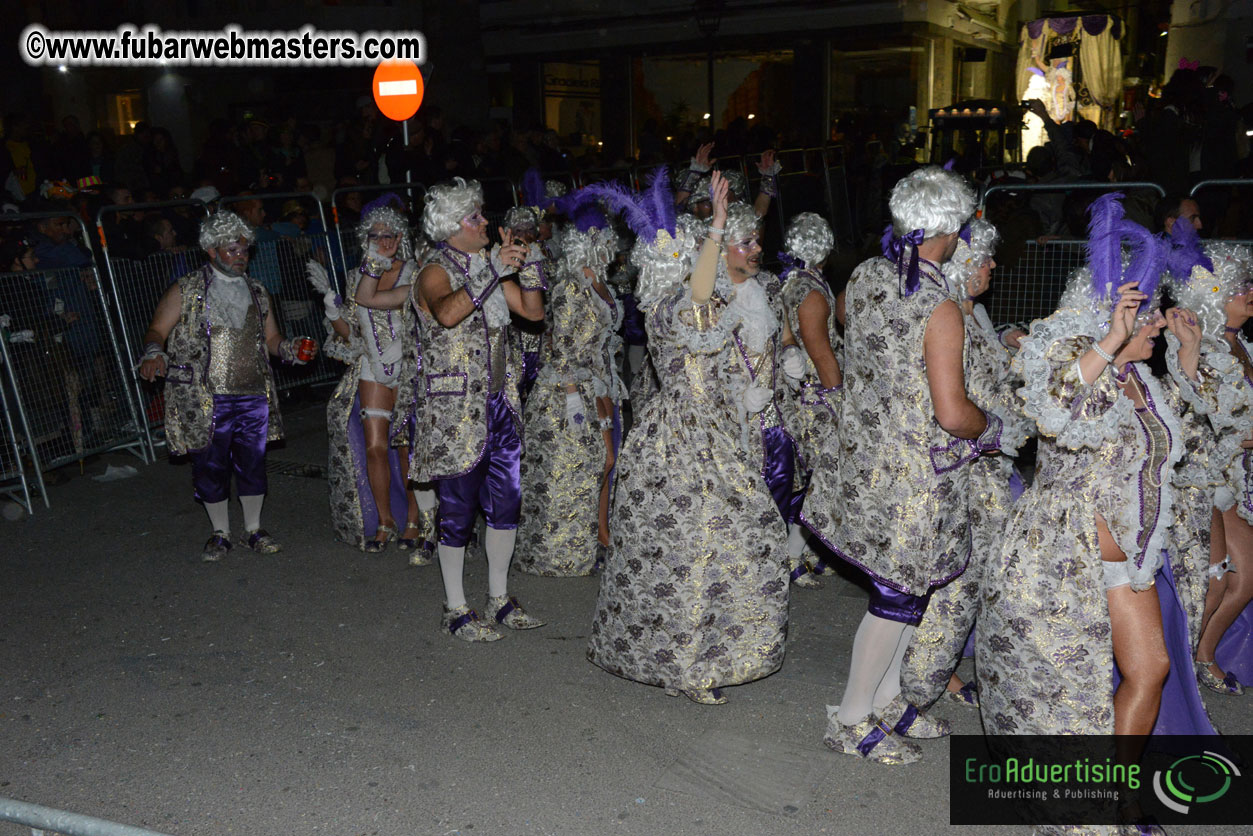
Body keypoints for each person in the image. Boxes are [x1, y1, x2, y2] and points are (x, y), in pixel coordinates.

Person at [978, 195, 1232, 830]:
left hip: (1129, 560)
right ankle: (1084, 802)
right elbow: (1056, 408)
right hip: (1062, 557)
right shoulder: (1075, 366)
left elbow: (1200, 446)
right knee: (1066, 690)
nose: (1158, 326)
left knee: (1152, 668)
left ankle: (1116, 793)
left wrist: (1191, 365)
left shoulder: (1146, 380)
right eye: (1145, 317)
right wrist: (1112, 341)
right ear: (1112, 313)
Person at [801, 166, 995, 763]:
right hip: (916, 475)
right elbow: (952, 412)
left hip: (865, 460)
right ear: (952, 231)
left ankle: (885, 701)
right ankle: (852, 718)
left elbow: (842, 325)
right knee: (896, 598)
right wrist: (993, 427)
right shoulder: (940, 307)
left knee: (905, 593)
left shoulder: (864, 277)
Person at [587, 170, 791, 706]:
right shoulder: (670, 309)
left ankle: (710, 653)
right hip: (683, 439)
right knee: (696, 549)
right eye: (687, 254)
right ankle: (691, 663)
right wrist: (718, 225)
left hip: (712, 430)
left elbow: (721, 290)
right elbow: (703, 290)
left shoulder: (695, 302)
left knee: (720, 547)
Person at [355, 177, 546, 641]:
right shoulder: (433, 269)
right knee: (457, 509)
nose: (485, 223)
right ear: (451, 225)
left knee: (506, 502)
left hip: (500, 404)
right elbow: (445, 313)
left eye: (482, 214)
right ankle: (455, 608)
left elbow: (535, 313)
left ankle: (498, 599)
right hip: (455, 410)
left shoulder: (487, 265)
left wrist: (531, 262)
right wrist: (493, 271)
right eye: (475, 217)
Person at [898, 219, 1031, 711]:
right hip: (969, 469)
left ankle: (935, 675)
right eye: (984, 258)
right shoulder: (948, 312)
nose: (993, 265)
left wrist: (1005, 337)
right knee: (957, 585)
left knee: (975, 580)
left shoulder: (971, 312)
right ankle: (917, 691)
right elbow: (956, 401)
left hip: (992, 466)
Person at [136, 211, 316, 561]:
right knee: (210, 465)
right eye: (231, 250)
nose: (240, 256)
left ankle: (253, 530)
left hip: (251, 392)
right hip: (205, 397)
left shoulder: (258, 291)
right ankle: (220, 533)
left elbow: (272, 339)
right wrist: (154, 352)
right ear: (212, 251)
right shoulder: (186, 288)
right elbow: (157, 330)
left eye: (244, 250)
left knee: (253, 463)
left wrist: (291, 349)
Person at [514, 195, 624, 576]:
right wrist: (575, 400)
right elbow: (559, 351)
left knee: (607, 462)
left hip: (600, 382)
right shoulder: (570, 288)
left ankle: (602, 534)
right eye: (607, 238)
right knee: (586, 465)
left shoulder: (598, 281)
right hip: (569, 389)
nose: (614, 244)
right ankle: (570, 545)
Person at [316, 196, 430, 556]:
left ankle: (415, 519)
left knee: (407, 448)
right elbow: (351, 334)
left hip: (410, 365)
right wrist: (333, 311)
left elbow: (403, 309)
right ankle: (385, 521)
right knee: (375, 448)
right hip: (373, 368)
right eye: (376, 235)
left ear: (401, 238)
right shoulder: (356, 278)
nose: (383, 241)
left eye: (390, 235)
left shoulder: (416, 272)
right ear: (366, 238)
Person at [1173, 240, 1253, 695]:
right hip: (1202, 477)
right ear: (1212, 295)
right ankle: (1179, 670)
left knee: (1243, 578)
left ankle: (1201, 656)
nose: (1249, 291)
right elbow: (1203, 422)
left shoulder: (1239, 344)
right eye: (1238, 285)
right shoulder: (1197, 349)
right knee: (1217, 581)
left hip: (1232, 476)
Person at [777, 212, 842, 588]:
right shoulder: (812, 293)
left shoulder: (792, 283)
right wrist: (839, 399)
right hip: (815, 397)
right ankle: (791, 553)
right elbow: (821, 355)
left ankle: (815, 550)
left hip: (799, 391)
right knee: (822, 479)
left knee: (813, 478)